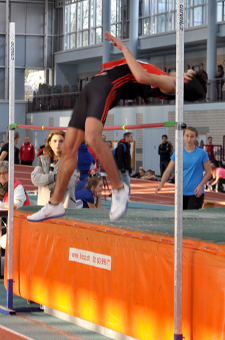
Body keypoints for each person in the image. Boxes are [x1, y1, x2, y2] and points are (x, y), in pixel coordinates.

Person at [27, 31, 207, 223]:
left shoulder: (170, 84)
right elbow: (164, 74)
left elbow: (140, 75)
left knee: (93, 138)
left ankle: (119, 189)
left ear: (187, 81)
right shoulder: (170, 77)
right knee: (69, 148)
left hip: (108, 85)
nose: (187, 70)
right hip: (94, 86)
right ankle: (54, 206)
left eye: (190, 72)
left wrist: (124, 48)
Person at [155, 127, 211, 210]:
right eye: (187, 136)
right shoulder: (178, 152)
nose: (189, 139)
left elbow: (208, 172)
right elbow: (168, 170)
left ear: (196, 137)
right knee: (180, 220)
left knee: (191, 220)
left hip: (196, 192)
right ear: (183, 136)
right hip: (181, 192)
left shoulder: (202, 153)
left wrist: (201, 185)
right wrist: (161, 184)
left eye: (192, 136)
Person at [31, 130, 78, 208]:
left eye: (61, 141)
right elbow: (35, 178)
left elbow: (67, 183)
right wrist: (55, 177)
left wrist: (46, 184)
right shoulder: (42, 160)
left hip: (64, 207)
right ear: (50, 143)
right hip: (44, 206)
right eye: (55, 141)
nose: (57, 144)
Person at [0, 160, 30, 251]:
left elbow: (16, 205)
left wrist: (1, 204)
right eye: (0, 173)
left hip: (20, 224)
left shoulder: (17, 187)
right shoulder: (1, 188)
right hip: (6, 223)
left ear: (10, 173)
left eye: (5, 173)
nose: (2, 176)